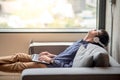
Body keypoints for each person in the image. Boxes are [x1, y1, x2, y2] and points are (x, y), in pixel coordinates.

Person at [0, 29, 109, 72]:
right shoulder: (81, 42)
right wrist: (52, 55)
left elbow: (69, 67)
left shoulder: (85, 49)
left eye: (96, 31)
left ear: (96, 38)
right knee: (18, 56)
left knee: (19, 66)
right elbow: (66, 57)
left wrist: (51, 61)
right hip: (52, 60)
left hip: (50, 65)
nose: (94, 29)